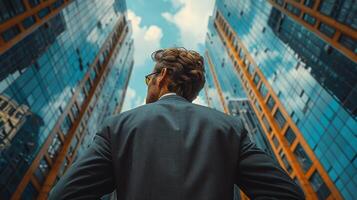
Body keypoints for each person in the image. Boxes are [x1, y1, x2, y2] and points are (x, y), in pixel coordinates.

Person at [49, 48, 305, 200]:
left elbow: (64, 195)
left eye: (149, 77)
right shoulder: (229, 128)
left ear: (161, 76)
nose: (149, 83)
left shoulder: (117, 127)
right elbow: (288, 194)